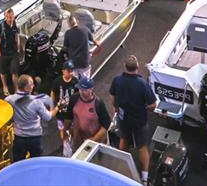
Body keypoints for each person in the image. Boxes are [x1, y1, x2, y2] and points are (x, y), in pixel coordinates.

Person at [110, 56, 158, 184]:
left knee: (123, 140)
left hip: (123, 120)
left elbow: (113, 99)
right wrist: (146, 107)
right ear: (137, 68)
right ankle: (144, 177)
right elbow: (153, 105)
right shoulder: (142, 84)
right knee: (142, 147)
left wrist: (115, 108)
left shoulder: (117, 80)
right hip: (139, 121)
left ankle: (121, 171)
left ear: (125, 68)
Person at [6, 75, 59, 161]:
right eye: (32, 84)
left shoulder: (9, 100)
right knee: (36, 162)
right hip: (35, 137)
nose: (33, 86)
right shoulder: (36, 102)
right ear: (27, 88)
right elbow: (48, 117)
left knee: (18, 162)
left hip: (19, 137)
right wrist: (57, 108)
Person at [67, 76, 111, 151]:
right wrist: (67, 131)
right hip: (79, 141)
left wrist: (93, 140)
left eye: (85, 90)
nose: (81, 92)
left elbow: (106, 125)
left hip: (95, 142)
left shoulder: (98, 104)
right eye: (80, 89)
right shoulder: (74, 99)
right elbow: (69, 117)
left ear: (91, 89)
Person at [50, 60, 78, 149]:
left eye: (71, 71)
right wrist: (52, 106)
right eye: (68, 71)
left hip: (71, 113)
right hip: (61, 113)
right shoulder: (57, 81)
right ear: (63, 71)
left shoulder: (75, 81)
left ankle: (73, 144)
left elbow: (78, 95)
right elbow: (53, 93)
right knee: (62, 130)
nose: (70, 73)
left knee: (72, 129)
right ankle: (65, 144)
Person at [63, 14, 99, 79]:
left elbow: (65, 46)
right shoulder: (85, 29)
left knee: (74, 80)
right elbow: (91, 40)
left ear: (69, 24)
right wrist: (96, 42)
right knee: (85, 80)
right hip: (84, 61)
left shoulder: (68, 33)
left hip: (73, 62)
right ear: (77, 22)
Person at [0, 8, 21, 96]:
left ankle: (16, 89)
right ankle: (5, 86)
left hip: (13, 53)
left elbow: (17, 36)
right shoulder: (0, 26)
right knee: (3, 72)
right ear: (5, 16)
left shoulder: (15, 25)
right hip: (3, 53)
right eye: (8, 17)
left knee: (15, 72)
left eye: (11, 17)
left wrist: (18, 48)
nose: (10, 19)